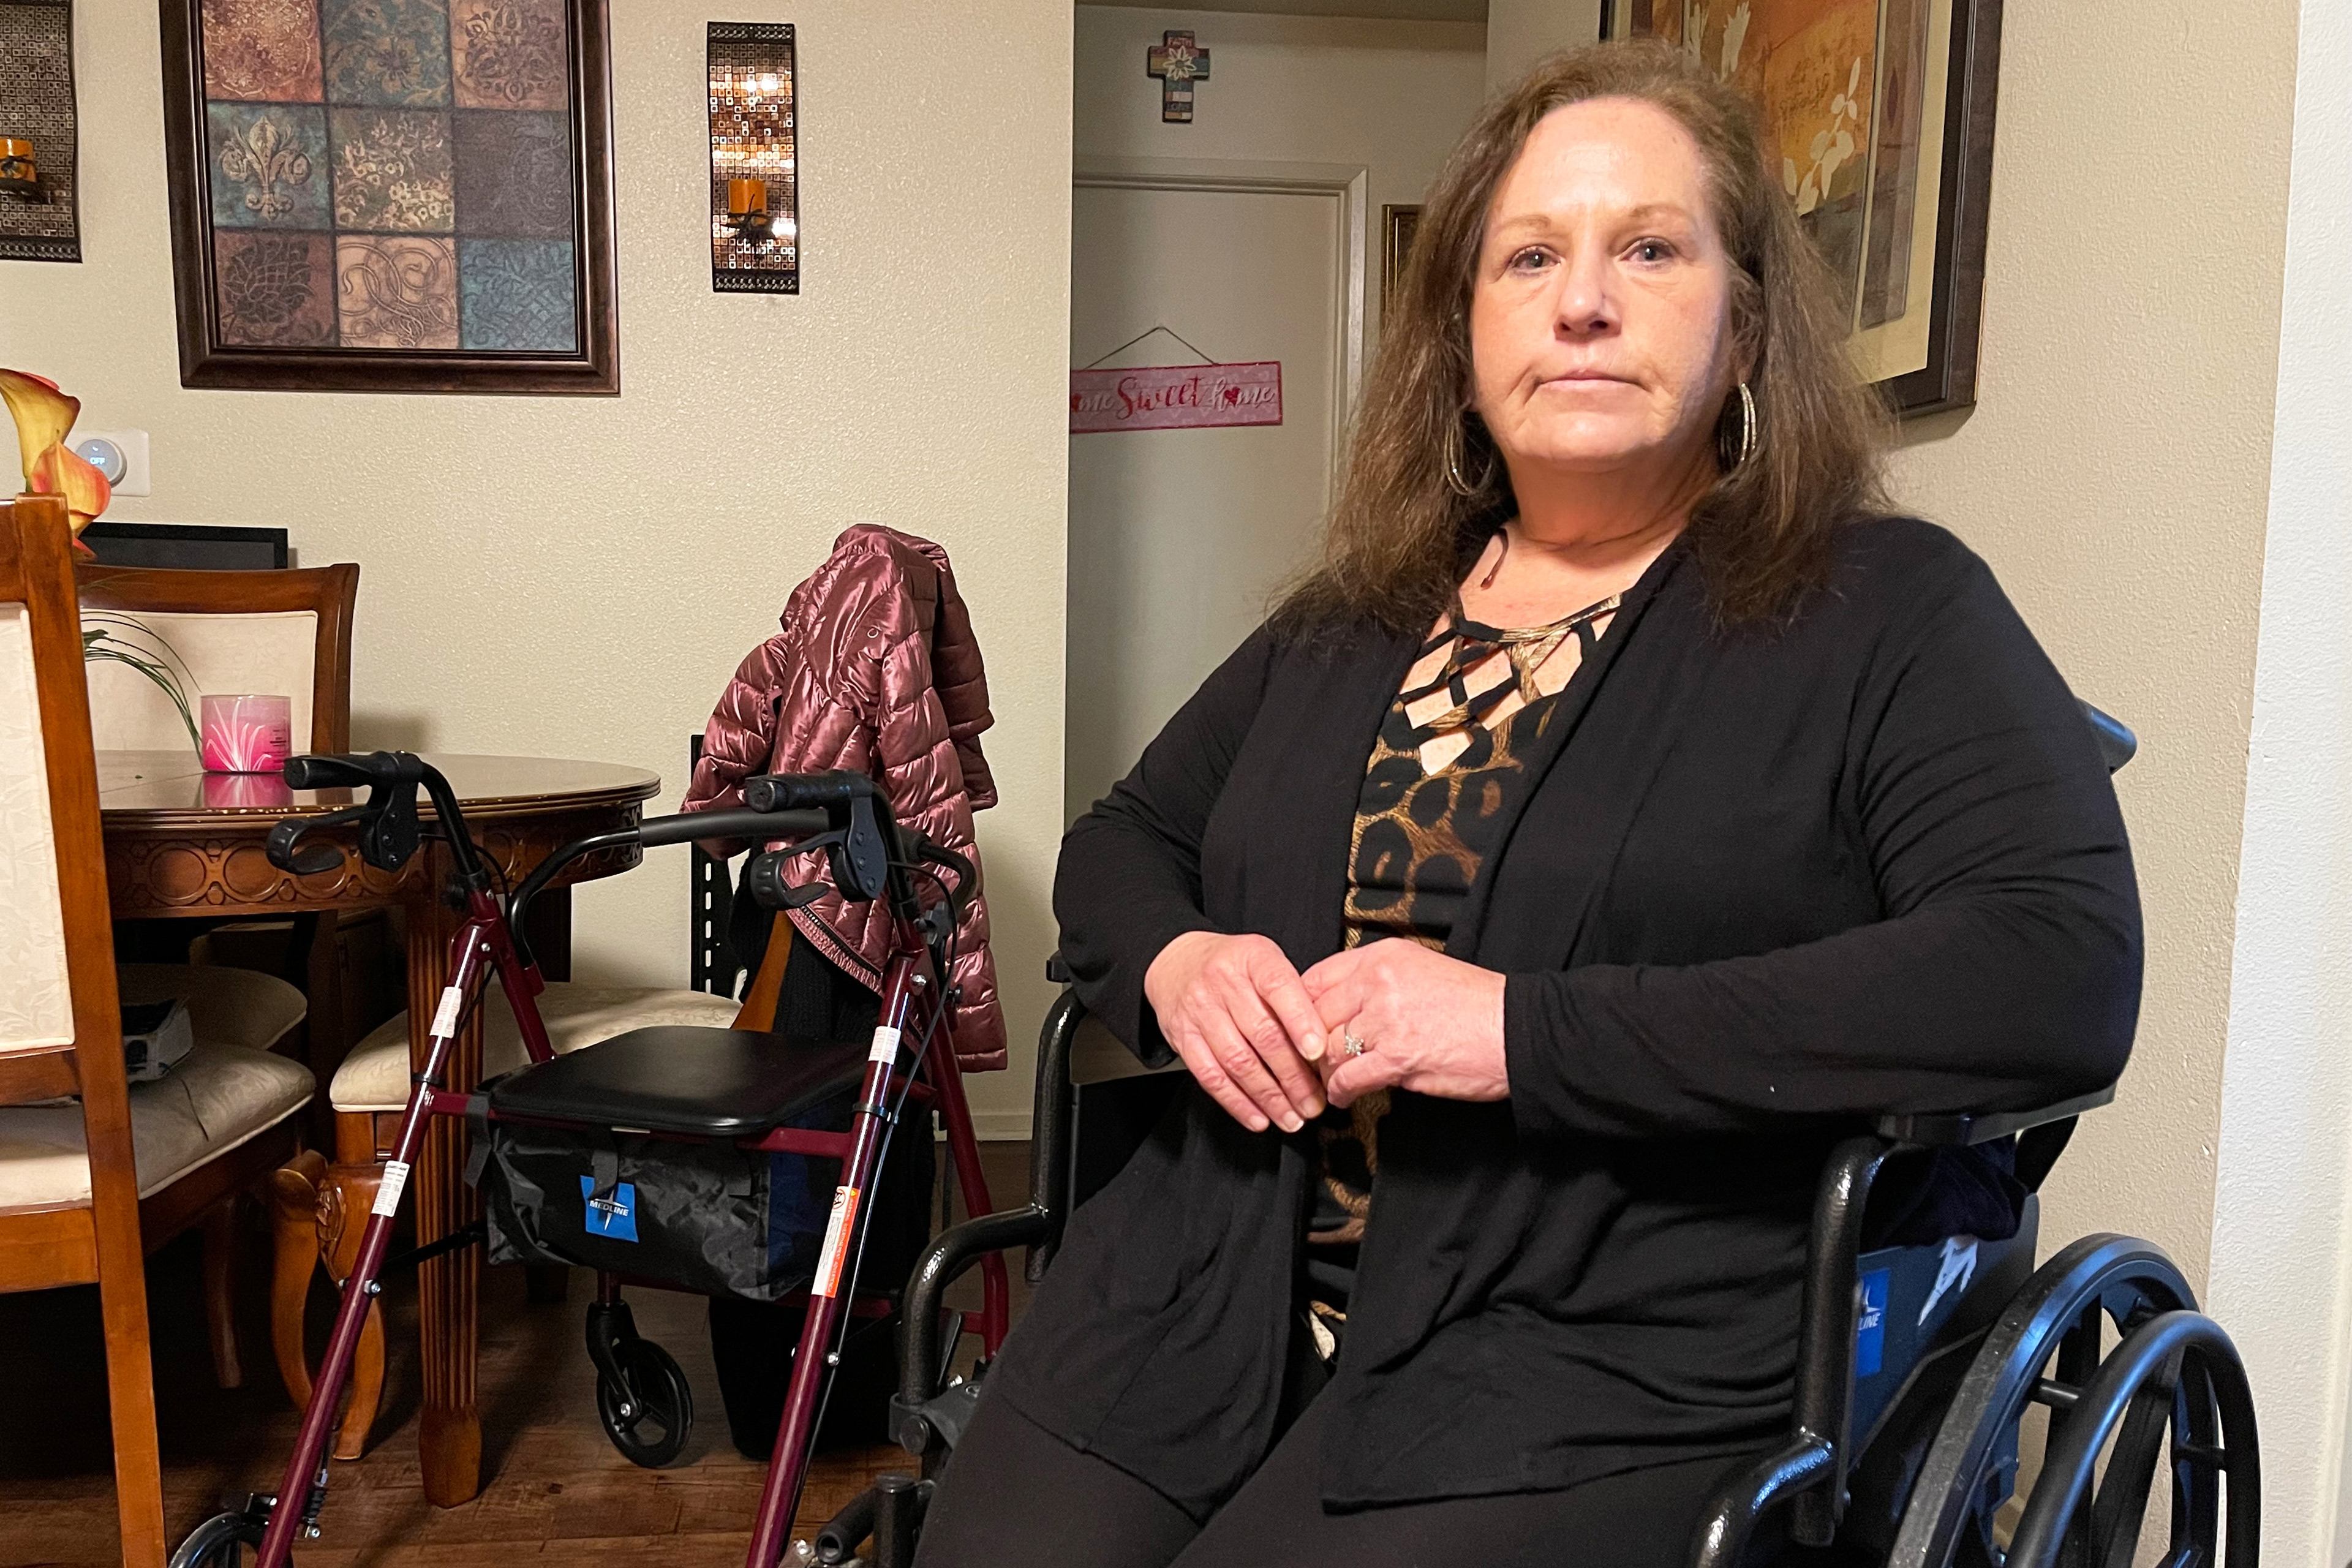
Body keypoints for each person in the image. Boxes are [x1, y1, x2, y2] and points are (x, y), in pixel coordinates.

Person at [915, 38, 2139, 1568]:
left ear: (1748, 327)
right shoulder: (1355, 616)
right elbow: (1121, 842)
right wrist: (1176, 961)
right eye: (1529, 256)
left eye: (1648, 248)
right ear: (1465, 334)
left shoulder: (1884, 609)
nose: (1582, 300)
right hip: (1209, 1279)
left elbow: (2057, 962)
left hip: (1586, 1333)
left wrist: (1516, 1033)